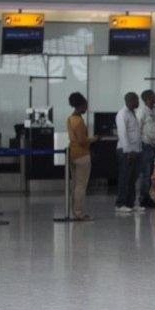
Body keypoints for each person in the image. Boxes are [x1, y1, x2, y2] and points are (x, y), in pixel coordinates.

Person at [66, 92, 97, 221]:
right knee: (81, 185)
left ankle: (75, 211)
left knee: (75, 184)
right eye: (85, 105)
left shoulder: (70, 119)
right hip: (82, 155)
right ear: (81, 105)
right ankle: (78, 212)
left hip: (72, 153)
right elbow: (83, 141)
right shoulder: (79, 121)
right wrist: (95, 139)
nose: (86, 108)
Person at [115, 92, 144, 213]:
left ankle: (130, 203)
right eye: (136, 100)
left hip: (136, 151)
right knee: (125, 178)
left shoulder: (133, 113)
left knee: (132, 179)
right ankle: (120, 204)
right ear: (130, 101)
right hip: (126, 151)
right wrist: (128, 151)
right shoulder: (122, 114)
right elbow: (122, 133)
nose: (138, 103)